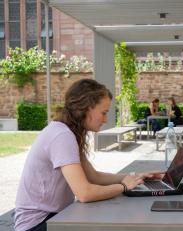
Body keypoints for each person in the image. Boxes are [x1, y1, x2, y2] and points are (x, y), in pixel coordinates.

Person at [14, 79, 161, 231]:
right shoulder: (62, 135)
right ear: (85, 108)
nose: (105, 119)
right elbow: (85, 193)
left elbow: (94, 177)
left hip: (54, 216)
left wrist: (135, 177)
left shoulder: (68, 132)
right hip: (38, 223)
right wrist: (123, 186)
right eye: (103, 113)